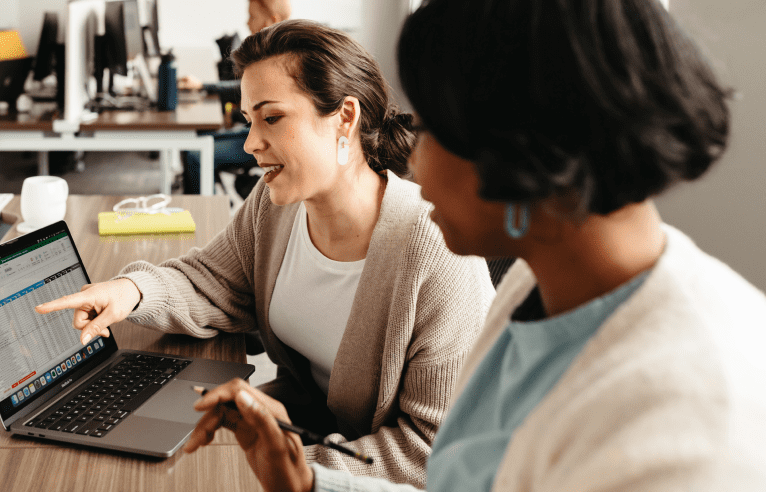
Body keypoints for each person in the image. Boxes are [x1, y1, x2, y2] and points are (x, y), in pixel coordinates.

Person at [182, 0, 766, 491]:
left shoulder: (685, 426)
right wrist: (311, 483)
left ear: (524, 145)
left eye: (435, 129)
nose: (416, 163)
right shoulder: (536, 285)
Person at [36, 19, 495, 487]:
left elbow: (433, 452)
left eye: (271, 118)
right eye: (249, 122)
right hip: (307, 439)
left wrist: (282, 465)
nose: (252, 144)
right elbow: (212, 281)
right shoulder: (276, 207)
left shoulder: (436, 253)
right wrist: (130, 290)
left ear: (345, 118)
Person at [179, 0, 293, 195]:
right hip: (252, 130)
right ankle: (210, 195)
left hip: (267, 140)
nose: (247, 23)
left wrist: (203, 86)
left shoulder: (282, 58)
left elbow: (242, 90)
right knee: (192, 141)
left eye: (252, 16)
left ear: (271, 20)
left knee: (196, 155)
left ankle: (204, 214)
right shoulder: (269, 52)